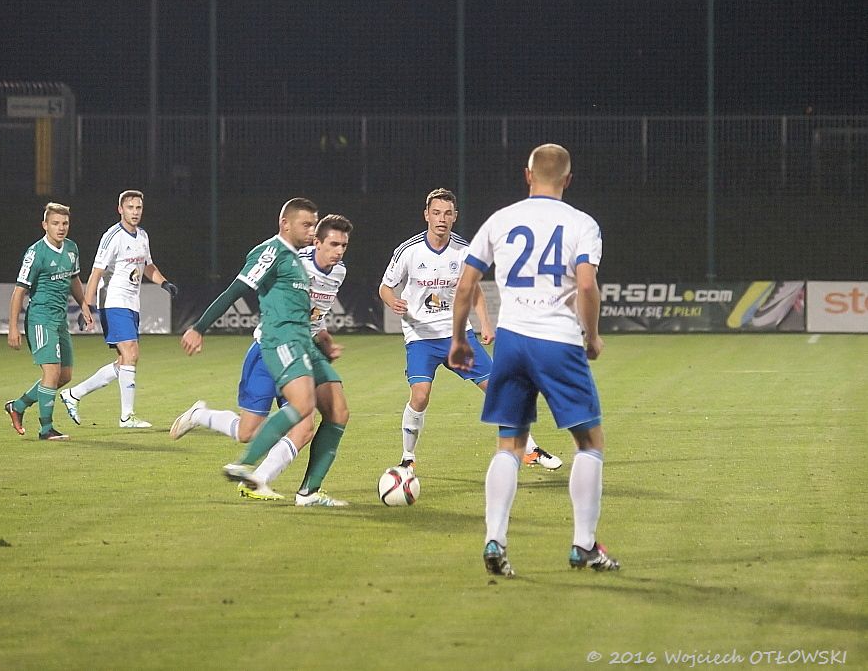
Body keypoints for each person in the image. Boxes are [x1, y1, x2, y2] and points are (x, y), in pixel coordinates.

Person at [449, 143, 620, 577]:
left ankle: (495, 539)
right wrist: (592, 336)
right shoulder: (582, 223)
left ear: (527, 175)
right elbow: (586, 286)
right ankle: (584, 545)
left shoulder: (500, 219)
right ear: (568, 179)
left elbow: (466, 284)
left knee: (509, 443)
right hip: (558, 342)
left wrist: (458, 339)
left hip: (511, 340)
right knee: (590, 442)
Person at [171, 214, 353, 502]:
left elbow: (314, 315)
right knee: (247, 431)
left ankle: (281, 486)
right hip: (270, 349)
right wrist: (199, 327)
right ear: (317, 243)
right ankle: (201, 415)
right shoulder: (292, 261)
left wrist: (325, 341)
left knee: (316, 421)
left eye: (344, 245)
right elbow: (242, 289)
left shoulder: (339, 272)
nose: (339, 251)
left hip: (304, 348)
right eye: (334, 244)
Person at [379, 188, 561, 472]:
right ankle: (408, 457)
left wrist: (485, 322)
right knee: (420, 395)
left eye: (447, 213)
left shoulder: (464, 250)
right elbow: (385, 287)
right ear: (426, 215)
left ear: (455, 217)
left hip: (458, 336)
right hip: (421, 338)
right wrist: (392, 301)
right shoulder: (408, 250)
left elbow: (473, 289)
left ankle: (529, 450)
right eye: (436, 213)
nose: (441, 219)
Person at [59, 190, 177, 429]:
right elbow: (96, 273)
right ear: (120, 209)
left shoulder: (142, 236)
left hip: (132, 304)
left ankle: (74, 394)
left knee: (125, 360)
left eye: (138, 208)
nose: (135, 212)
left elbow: (148, 265)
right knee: (131, 354)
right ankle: (127, 416)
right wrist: (87, 306)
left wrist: (164, 282)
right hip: (113, 302)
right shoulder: (112, 236)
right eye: (130, 207)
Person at [4, 202, 94, 441]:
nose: (61, 227)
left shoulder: (72, 248)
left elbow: (74, 279)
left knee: (64, 376)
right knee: (51, 373)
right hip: (40, 319)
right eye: (55, 223)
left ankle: (18, 406)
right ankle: (46, 429)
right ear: (45, 225)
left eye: (65, 223)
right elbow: (19, 292)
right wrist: (13, 328)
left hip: (59, 320)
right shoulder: (36, 253)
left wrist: (84, 304)